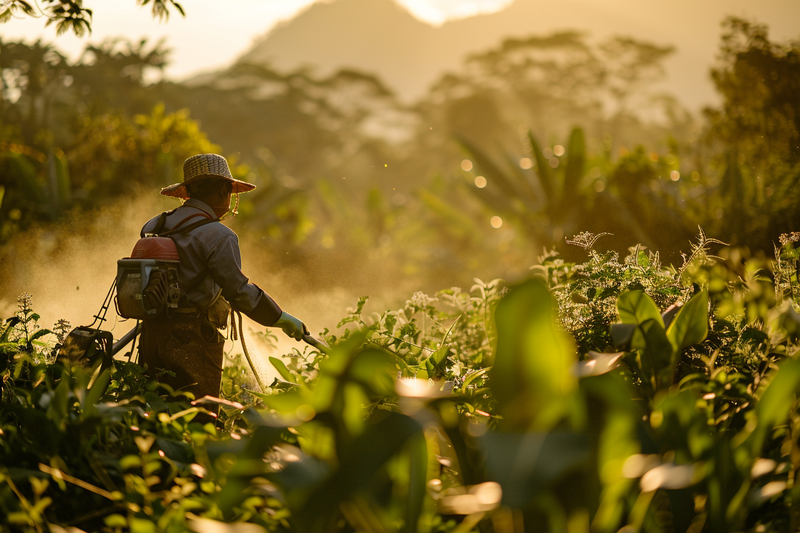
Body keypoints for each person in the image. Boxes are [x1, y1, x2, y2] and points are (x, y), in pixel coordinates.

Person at [137, 153, 308, 401]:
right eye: (230, 191)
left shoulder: (156, 225)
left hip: (151, 334)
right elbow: (239, 292)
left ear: (188, 193)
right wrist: (281, 318)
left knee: (152, 408)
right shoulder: (219, 236)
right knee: (196, 415)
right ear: (222, 191)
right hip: (191, 338)